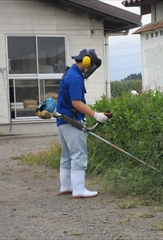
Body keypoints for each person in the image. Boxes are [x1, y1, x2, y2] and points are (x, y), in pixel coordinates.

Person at [56, 49, 110, 198]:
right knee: (78, 154)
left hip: (63, 121)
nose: (90, 68)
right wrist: (96, 115)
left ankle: (66, 186)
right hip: (72, 121)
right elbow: (76, 103)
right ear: (86, 61)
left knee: (67, 155)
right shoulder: (75, 78)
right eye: (91, 65)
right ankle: (79, 189)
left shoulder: (69, 73)